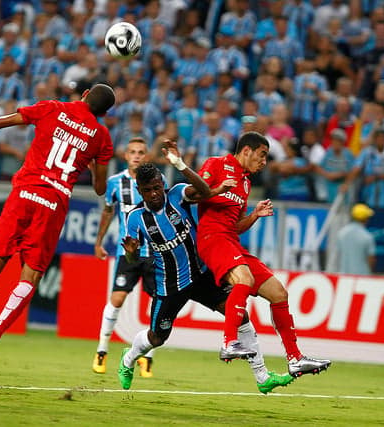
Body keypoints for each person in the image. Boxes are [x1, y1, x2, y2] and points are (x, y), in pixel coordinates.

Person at [0, 83, 116, 372]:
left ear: (83, 96)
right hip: (53, 204)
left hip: (24, 193)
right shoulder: (102, 136)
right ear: (105, 113)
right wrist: (94, 162)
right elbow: (99, 188)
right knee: (29, 277)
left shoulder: (52, 108)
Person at [118, 141, 293, 394]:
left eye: (157, 187)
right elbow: (132, 260)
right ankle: (128, 359)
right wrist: (131, 253)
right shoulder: (135, 218)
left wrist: (180, 165)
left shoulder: (178, 194)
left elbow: (204, 190)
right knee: (158, 337)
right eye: (148, 190)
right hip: (170, 284)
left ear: (163, 185)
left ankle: (263, 376)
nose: (154, 194)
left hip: (202, 275)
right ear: (140, 190)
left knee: (240, 315)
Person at [196, 131, 331, 377]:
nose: (264, 162)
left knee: (279, 293)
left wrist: (254, 215)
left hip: (231, 241)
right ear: (246, 150)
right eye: (262, 155)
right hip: (210, 238)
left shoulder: (246, 183)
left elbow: (236, 225)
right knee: (244, 280)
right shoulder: (215, 164)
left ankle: (295, 358)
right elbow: (197, 194)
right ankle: (229, 342)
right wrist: (216, 188)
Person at [92, 137, 157, 377]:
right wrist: (99, 242)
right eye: (132, 152)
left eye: (141, 152)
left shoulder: (156, 183)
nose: (137, 156)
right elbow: (108, 211)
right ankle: (101, 350)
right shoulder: (115, 183)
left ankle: (148, 357)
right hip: (126, 253)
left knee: (157, 303)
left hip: (154, 253)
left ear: (146, 156)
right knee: (117, 299)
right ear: (126, 156)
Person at [336, 203, 376, 275]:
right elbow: (371, 259)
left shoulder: (342, 233)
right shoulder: (367, 236)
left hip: (344, 275)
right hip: (362, 276)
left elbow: (338, 254)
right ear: (365, 219)